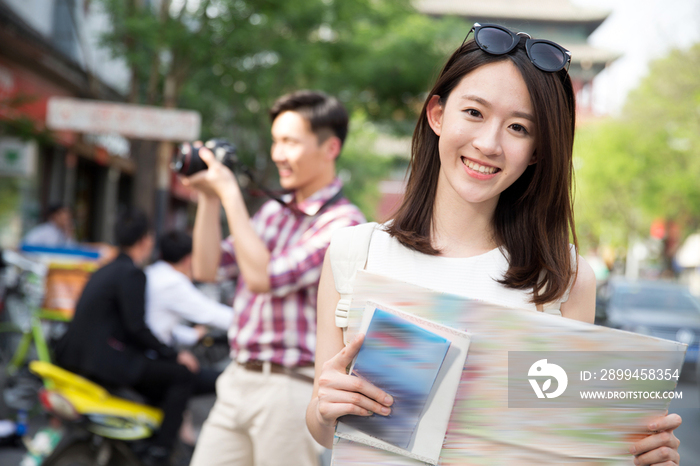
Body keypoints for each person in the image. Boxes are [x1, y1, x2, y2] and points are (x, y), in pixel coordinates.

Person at [306, 24, 682, 466]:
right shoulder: (354, 252)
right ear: (437, 115)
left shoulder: (563, 279)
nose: (489, 144)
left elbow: (562, 450)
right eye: (474, 113)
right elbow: (326, 433)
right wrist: (322, 406)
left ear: (538, 150)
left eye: (519, 127)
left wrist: (632, 454)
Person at [184, 90, 366, 466]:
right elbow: (207, 266)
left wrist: (231, 193)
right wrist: (209, 197)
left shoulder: (344, 223)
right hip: (236, 378)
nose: (277, 154)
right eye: (275, 142)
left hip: (290, 388)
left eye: (289, 142)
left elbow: (264, 277)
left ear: (330, 148)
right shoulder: (272, 212)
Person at [54, 209, 199, 466]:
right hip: (103, 362)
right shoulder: (132, 274)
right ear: (145, 240)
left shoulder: (105, 269)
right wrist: (175, 354)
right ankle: (160, 452)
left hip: (76, 357)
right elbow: (136, 328)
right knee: (181, 375)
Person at [145, 230, 234, 394]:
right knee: (222, 381)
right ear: (188, 259)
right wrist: (253, 321)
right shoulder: (173, 282)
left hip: (149, 354)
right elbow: (211, 314)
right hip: (156, 359)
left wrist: (193, 334)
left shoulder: (153, 272)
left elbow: (158, 324)